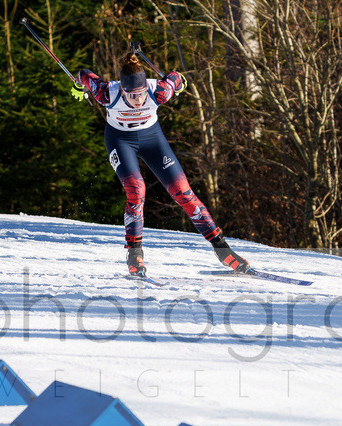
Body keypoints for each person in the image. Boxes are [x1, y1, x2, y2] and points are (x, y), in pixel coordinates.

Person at [76, 52, 250, 277]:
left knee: (183, 193)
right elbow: (85, 74)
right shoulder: (106, 93)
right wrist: (80, 85)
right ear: (122, 90)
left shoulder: (157, 91)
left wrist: (179, 83)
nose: (137, 100)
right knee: (137, 191)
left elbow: (177, 77)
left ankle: (222, 249)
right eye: (131, 95)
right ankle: (134, 253)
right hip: (120, 140)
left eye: (139, 94)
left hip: (151, 138)